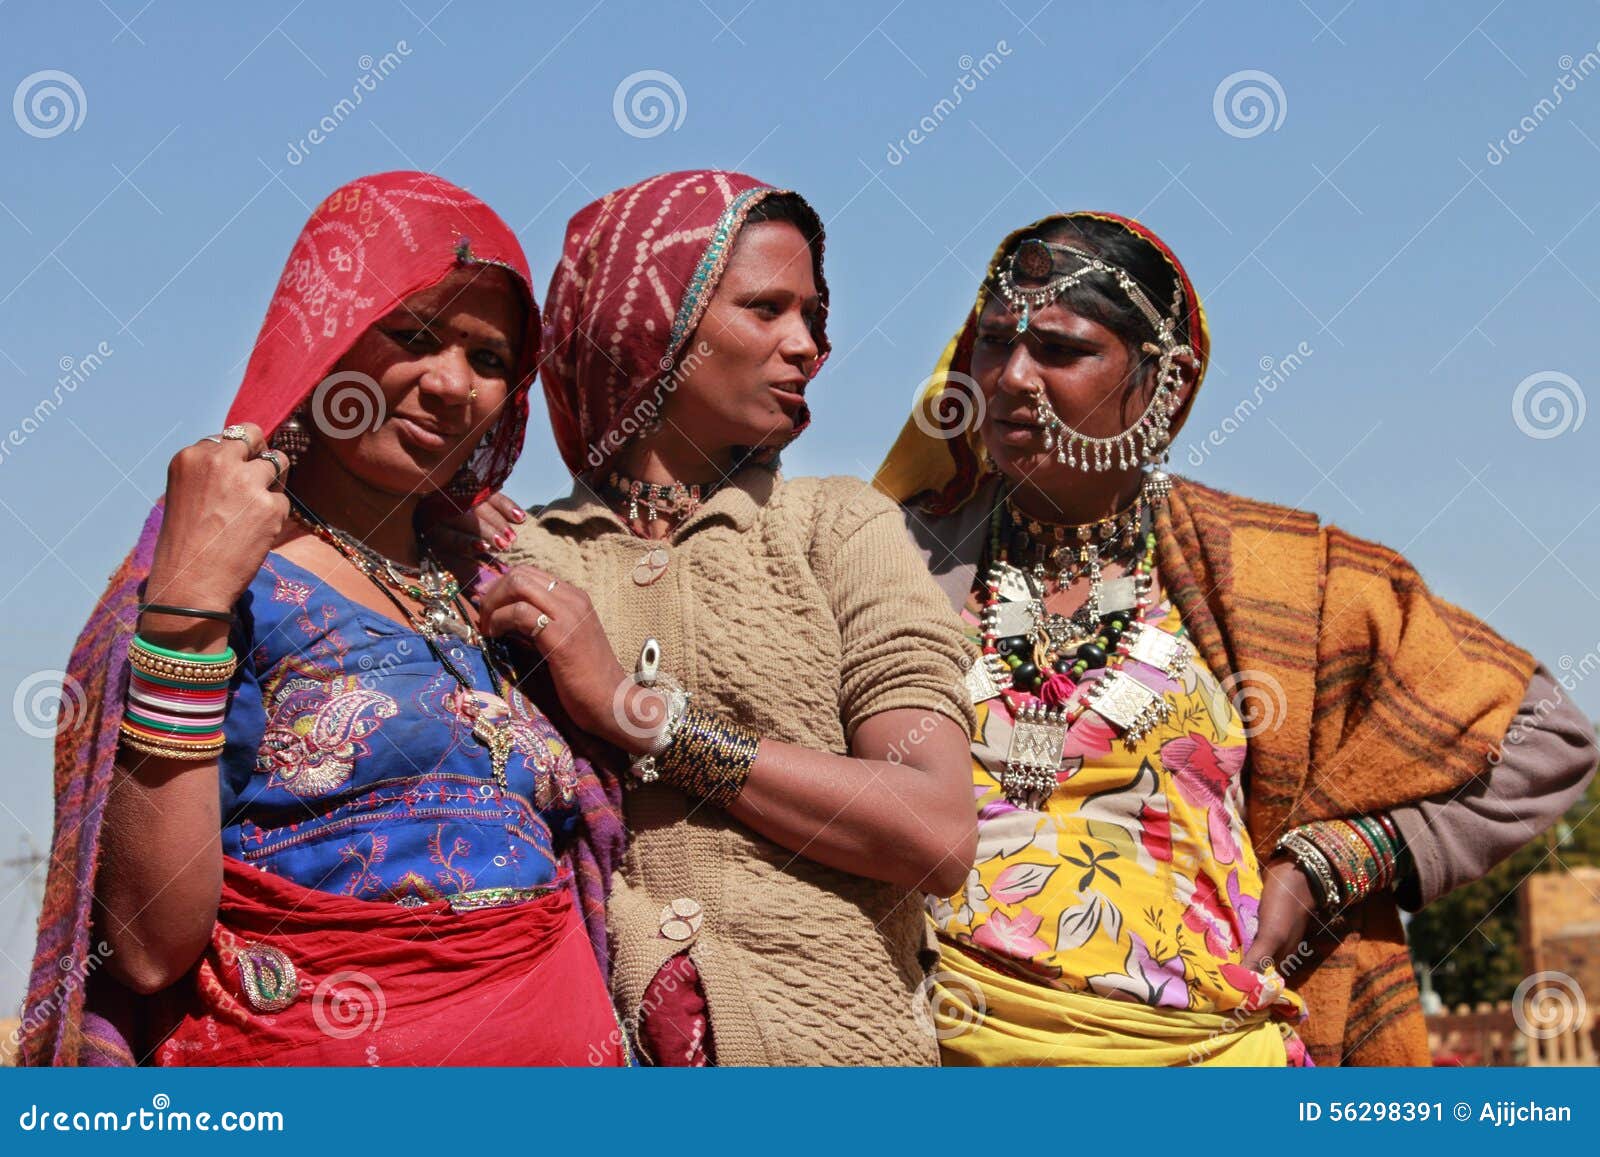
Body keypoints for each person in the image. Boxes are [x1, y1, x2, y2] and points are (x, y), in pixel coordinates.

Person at [875, 211, 1598, 1066]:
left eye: (1061, 350)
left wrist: (1333, 860)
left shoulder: (1278, 573)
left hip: (1210, 1067)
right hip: (931, 1060)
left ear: (1169, 384)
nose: (1010, 375)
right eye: (994, 342)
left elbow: (1543, 732)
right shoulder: (887, 558)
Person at [21, 171, 630, 1067]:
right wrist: (186, 615)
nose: (453, 384)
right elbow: (147, 947)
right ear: (328, 332)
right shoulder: (221, 574)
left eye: (491, 360)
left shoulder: (492, 595)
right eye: (414, 335)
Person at [436, 170, 979, 1065]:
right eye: (765, 309)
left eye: (813, 315)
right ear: (649, 326)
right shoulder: (518, 563)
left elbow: (934, 829)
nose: (807, 345)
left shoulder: (839, 526)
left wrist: (641, 716)